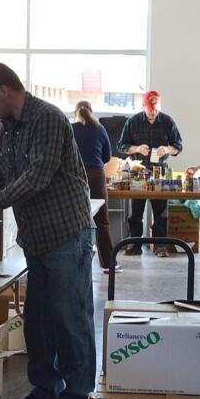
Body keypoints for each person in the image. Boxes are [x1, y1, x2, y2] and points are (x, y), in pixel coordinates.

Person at [0, 63, 95, 399]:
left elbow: (38, 175)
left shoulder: (48, 119)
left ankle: (76, 396)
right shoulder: (6, 126)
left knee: (70, 318)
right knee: (38, 320)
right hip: (36, 239)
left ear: (5, 91)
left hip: (66, 235)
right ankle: (45, 391)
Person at [117, 90, 183, 256]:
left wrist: (167, 148)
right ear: (144, 106)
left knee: (161, 212)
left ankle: (160, 246)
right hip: (138, 170)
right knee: (136, 212)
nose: (153, 112)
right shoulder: (133, 121)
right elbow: (121, 146)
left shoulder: (167, 121)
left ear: (159, 106)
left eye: (155, 108)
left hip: (160, 171)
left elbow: (178, 146)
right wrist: (137, 148)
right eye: (150, 108)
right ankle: (135, 245)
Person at [71, 101, 116, 273]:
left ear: (76, 113)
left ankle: (76, 261)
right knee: (102, 221)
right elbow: (107, 156)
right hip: (96, 175)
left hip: (76, 175)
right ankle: (107, 265)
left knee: (74, 219)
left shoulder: (71, 128)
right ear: (91, 112)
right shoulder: (100, 129)